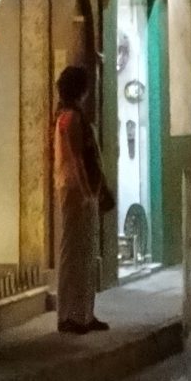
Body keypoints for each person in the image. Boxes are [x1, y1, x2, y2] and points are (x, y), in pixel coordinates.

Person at [54, 65, 112, 333]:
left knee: (82, 252)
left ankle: (83, 314)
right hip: (77, 193)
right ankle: (72, 315)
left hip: (77, 191)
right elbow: (77, 158)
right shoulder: (71, 118)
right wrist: (88, 192)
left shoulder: (66, 116)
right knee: (76, 252)